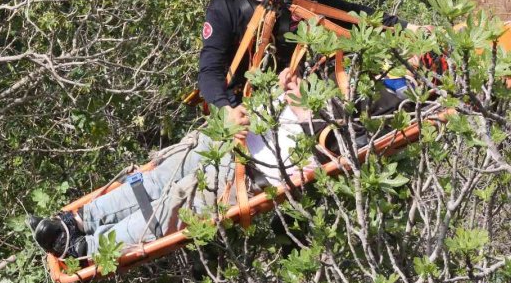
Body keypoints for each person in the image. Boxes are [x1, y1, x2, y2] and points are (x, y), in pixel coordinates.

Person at [31, 69, 317, 259]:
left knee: (167, 210)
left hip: (252, 170)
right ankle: (76, 221)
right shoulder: (329, 76)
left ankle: (82, 249)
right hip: (230, 133)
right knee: (155, 180)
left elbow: (326, 151)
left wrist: (302, 104)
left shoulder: (353, 128)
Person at [198, 0, 410, 129]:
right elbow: (210, 69)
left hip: (295, 83)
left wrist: (403, 27)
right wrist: (227, 108)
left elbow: (347, 14)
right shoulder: (224, 8)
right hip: (249, 98)